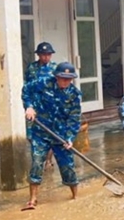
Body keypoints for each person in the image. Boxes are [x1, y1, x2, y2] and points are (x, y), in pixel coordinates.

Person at [22, 62, 83, 210]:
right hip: (41, 132)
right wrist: (29, 106)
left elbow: (74, 119)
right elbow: (26, 90)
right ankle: (33, 200)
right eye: (63, 78)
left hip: (61, 136)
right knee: (37, 163)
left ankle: (75, 197)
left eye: (69, 79)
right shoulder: (43, 83)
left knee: (67, 166)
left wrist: (70, 138)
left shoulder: (74, 94)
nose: (65, 82)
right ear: (56, 77)